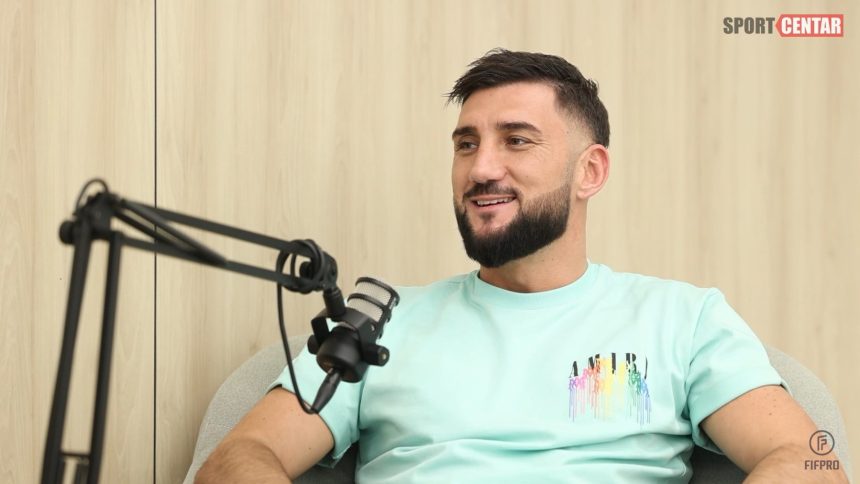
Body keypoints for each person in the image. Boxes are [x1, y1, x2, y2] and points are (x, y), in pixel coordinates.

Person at [196, 49, 846, 483]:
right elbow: (239, 457)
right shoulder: (378, 321)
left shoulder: (684, 319)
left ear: (590, 171)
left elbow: (808, 461)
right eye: (466, 144)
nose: (481, 168)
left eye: (516, 140)